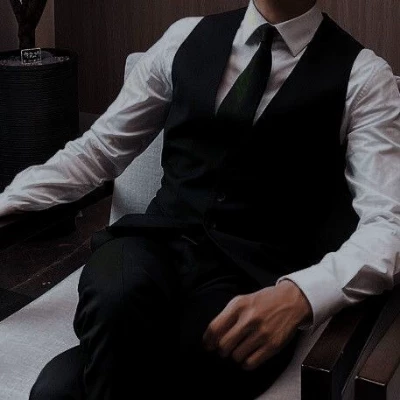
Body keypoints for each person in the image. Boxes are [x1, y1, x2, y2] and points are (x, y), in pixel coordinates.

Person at [1, 0, 400, 398]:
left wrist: (300, 295)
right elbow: (99, 150)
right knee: (113, 291)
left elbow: (388, 225)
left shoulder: (364, 77)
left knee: (58, 388)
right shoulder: (185, 37)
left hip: (249, 285)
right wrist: (7, 201)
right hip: (150, 245)